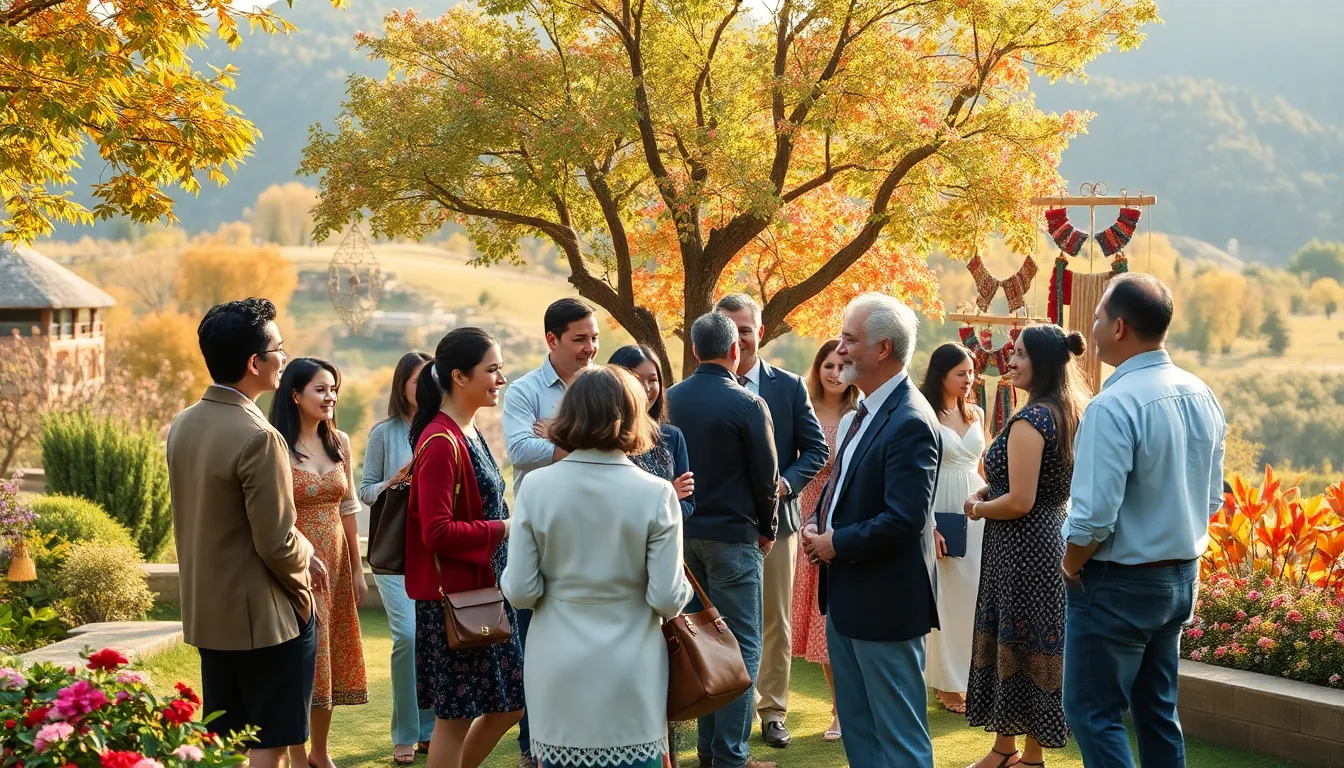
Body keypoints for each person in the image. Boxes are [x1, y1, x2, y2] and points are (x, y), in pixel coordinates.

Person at [1062, 274, 1226, 768]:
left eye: (1097, 318)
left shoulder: (1112, 405)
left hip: (1118, 583)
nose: (1091, 328)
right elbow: (1213, 499)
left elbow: (1092, 519)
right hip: (1180, 578)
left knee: (1093, 712)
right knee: (1156, 710)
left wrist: (1070, 567)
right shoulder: (1202, 393)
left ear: (1119, 328)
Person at [501, 365, 695, 768]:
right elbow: (666, 597)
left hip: (555, 661)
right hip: (633, 665)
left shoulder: (536, 488)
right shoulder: (657, 494)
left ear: (568, 413)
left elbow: (519, 590)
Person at [166, 298, 325, 768]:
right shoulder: (260, 436)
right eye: (278, 348)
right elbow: (276, 540)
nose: (283, 357)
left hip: (208, 613)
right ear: (255, 362)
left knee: (225, 742)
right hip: (265, 620)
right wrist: (304, 582)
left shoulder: (183, 423)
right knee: (269, 740)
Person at [800, 293, 940, 768]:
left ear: (883, 349)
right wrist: (820, 519)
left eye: (849, 339)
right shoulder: (868, 408)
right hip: (849, 596)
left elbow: (906, 518)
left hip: (884, 605)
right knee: (860, 731)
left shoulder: (909, 419)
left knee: (899, 739)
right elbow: (843, 480)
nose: (839, 349)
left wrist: (835, 542)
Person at [963, 324, 1091, 768]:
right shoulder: (1068, 411)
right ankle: (1024, 755)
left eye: (1018, 354)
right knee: (1035, 644)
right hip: (1049, 539)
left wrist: (977, 509)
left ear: (1043, 362)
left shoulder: (1031, 419)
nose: (1009, 361)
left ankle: (1007, 751)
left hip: (1021, 547)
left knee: (1014, 639)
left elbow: (1019, 501)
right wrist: (987, 492)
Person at [406, 327, 525, 768]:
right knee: (455, 719)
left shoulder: (467, 431)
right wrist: (504, 528)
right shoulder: (440, 440)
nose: (501, 378)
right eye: (492, 369)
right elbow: (436, 531)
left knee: (510, 704)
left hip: (484, 591)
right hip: (455, 600)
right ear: (458, 376)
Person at [667, 312, 780, 768]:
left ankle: (711, 752)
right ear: (734, 351)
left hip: (684, 537)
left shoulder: (670, 400)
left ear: (695, 351)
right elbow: (767, 478)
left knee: (702, 645)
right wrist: (768, 530)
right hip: (734, 538)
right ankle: (731, 755)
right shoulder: (749, 404)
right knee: (740, 646)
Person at [714, 294, 827, 749]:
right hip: (719, 526)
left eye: (745, 329)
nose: (738, 339)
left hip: (777, 522)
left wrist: (785, 484)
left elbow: (816, 450)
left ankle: (773, 710)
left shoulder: (787, 386)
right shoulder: (702, 386)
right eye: (729, 330)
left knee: (773, 618)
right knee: (718, 619)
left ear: (760, 333)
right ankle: (721, 702)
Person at [502, 297, 599, 767]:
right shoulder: (523, 391)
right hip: (540, 532)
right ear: (552, 340)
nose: (590, 349)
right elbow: (520, 450)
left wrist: (555, 437)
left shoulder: (605, 387)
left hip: (597, 530)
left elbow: (626, 442)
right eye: (580, 340)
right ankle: (531, 745)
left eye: (594, 338)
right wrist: (586, 442)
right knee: (532, 640)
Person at [268, 357, 369, 768]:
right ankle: (296, 753)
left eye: (333, 389)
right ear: (295, 394)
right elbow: (271, 512)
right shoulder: (275, 444)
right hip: (295, 564)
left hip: (338, 563)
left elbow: (348, 507)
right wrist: (298, 559)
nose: (330, 397)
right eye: (320, 389)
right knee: (301, 657)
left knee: (328, 653)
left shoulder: (339, 441)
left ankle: (319, 753)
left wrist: (358, 570)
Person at [360, 351, 435, 765]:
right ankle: (405, 733)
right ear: (401, 386)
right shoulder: (383, 433)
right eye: (416, 380)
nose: (424, 387)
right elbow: (365, 491)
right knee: (407, 637)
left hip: (436, 551)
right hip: (393, 553)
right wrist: (394, 481)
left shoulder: (445, 429)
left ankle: (429, 730)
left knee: (431, 639)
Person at [788, 339, 857, 743]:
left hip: (844, 524)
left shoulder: (860, 413)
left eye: (841, 366)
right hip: (807, 525)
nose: (834, 373)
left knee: (840, 622)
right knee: (819, 624)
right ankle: (838, 708)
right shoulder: (805, 412)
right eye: (827, 365)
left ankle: (846, 709)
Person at [919, 343, 987, 716]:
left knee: (973, 595)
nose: (969, 379)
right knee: (944, 596)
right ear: (941, 374)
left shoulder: (976, 412)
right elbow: (918, 473)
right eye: (962, 373)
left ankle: (970, 677)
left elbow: (983, 467)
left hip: (974, 510)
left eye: (972, 372)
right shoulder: (925, 412)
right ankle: (946, 685)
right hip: (939, 507)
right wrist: (928, 524)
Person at [608, 344, 694, 518]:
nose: (647, 388)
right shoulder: (605, 435)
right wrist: (669, 494)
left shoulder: (672, 436)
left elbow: (688, 502)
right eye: (637, 379)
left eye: (653, 380)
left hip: (663, 540)